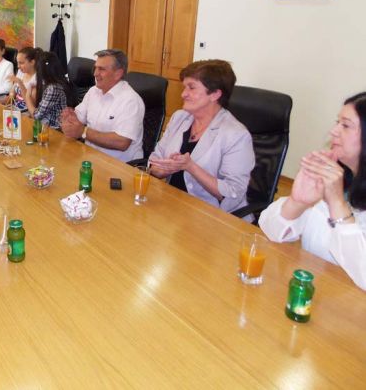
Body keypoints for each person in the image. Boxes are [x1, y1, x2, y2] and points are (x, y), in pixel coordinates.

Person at [259, 92, 366, 290]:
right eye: (337, 122)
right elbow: (270, 230)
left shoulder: (335, 189)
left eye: (345, 125)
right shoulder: (336, 179)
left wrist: (337, 205)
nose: (333, 131)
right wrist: (297, 202)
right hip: (314, 292)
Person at [148, 60, 254, 213]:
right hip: (172, 201)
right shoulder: (180, 117)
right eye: (184, 87)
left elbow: (233, 193)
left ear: (215, 94)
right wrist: (162, 170)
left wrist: (190, 167)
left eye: (191, 88)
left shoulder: (236, 135)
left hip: (210, 214)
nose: (183, 94)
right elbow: (155, 160)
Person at [60, 49, 144, 162]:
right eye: (95, 68)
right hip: (90, 157)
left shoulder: (131, 100)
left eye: (102, 69)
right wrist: (69, 118)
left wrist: (83, 131)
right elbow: (77, 119)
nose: (95, 73)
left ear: (118, 74)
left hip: (119, 166)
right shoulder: (93, 91)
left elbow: (122, 142)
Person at [13, 51, 70, 129]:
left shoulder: (53, 88)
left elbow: (36, 116)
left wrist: (27, 96)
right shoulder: (45, 82)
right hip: (43, 125)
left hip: (53, 129)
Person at [8, 46, 39, 111]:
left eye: (21, 63)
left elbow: (32, 104)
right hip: (15, 108)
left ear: (32, 62)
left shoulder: (37, 79)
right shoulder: (21, 72)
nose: (18, 66)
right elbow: (12, 93)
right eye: (17, 63)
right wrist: (2, 101)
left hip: (27, 112)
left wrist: (20, 83)